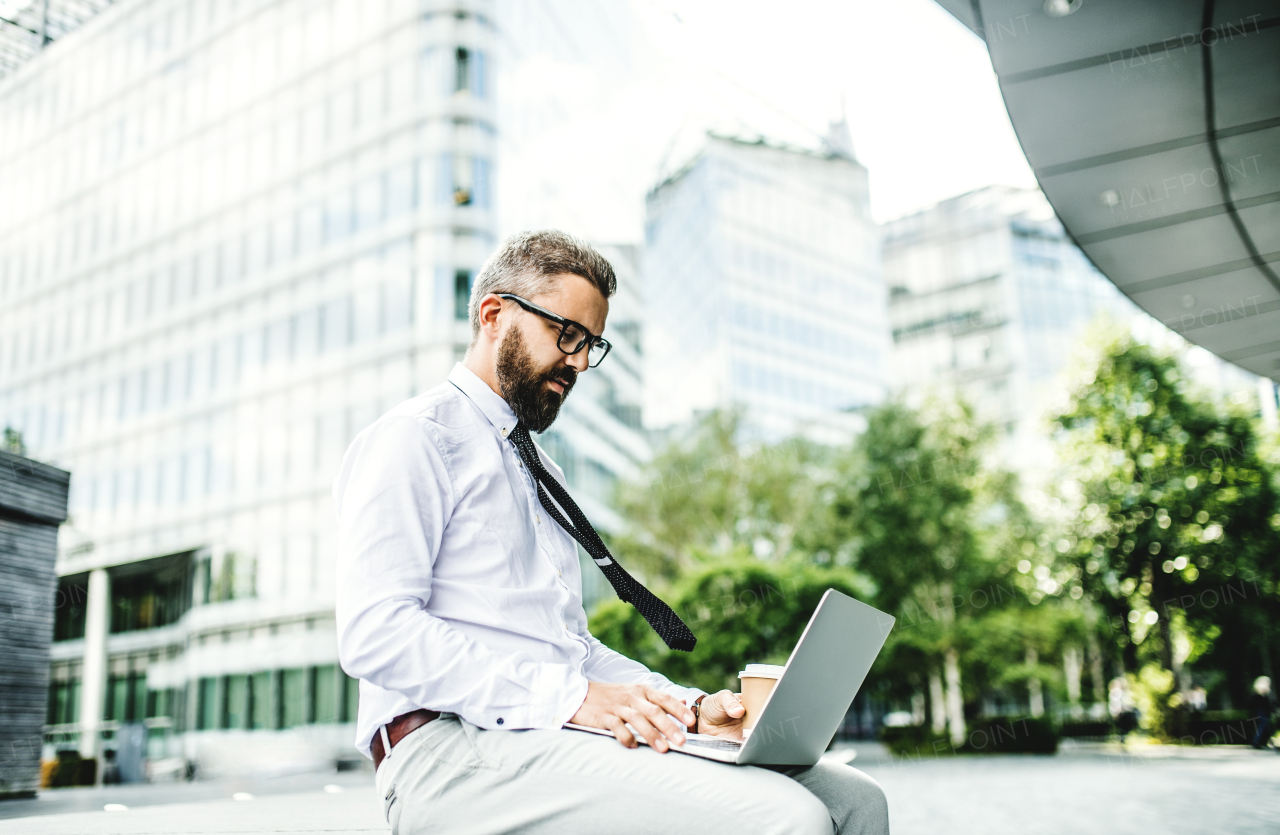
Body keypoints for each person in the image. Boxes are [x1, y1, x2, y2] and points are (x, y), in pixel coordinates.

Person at [334, 231, 889, 835]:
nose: (577, 362)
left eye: (590, 345)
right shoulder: (416, 436)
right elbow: (376, 632)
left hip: (541, 731)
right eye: (565, 335)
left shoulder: (537, 467)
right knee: (787, 817)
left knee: (854, 800)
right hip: (447, 751)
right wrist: (574, 701)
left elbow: (573, 650)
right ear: (494, 315)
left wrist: (689, 710)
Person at [1250, 676, 1275, 749]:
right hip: (1262, 712)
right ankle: (1256, 742)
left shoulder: (1256, 691)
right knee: (1263, 726)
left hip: (1260, 712)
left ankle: (1260, 742)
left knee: (1263, 727)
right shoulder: (1264, 692)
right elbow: (1270, 703)